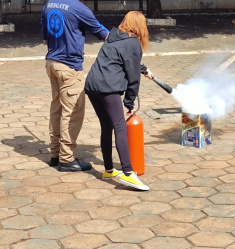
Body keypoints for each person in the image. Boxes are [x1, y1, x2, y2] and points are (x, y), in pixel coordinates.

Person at [85, 11, 153, 191]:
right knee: (120, 127)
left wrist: (144, 69)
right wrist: (129, 103)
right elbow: (133, 79)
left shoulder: (114, 37)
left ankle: (108, 170)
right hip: (108, 87)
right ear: (141, 26)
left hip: (92, 85)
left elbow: (126, 62)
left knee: (106, 126)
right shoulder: (133, 44)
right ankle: (129, 173)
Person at [41, 0, 109, 172]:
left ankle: (56, 154)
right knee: (71, 113)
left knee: (57, 108)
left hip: (52, 63)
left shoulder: (49, 4)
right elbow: (103, 34)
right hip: (69, 68)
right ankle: (67, 159)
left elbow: (45, 40)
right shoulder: (79, 8)